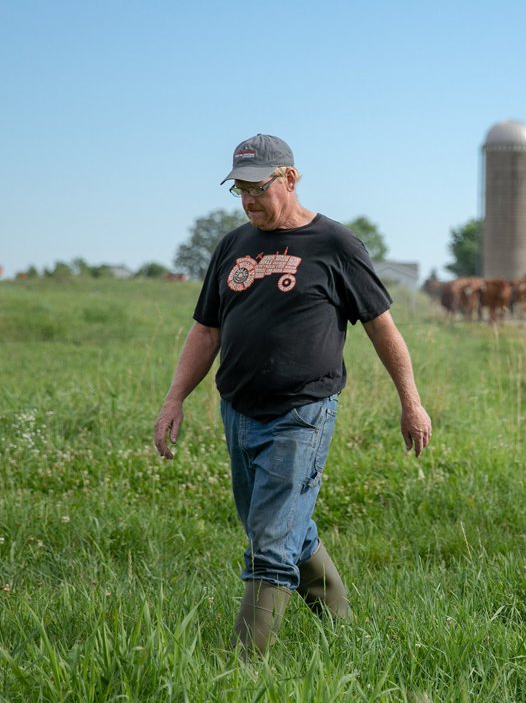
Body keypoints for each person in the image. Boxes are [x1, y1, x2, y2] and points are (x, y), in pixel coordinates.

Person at [152, 133, 432, 656]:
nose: (250, 199)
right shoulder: (232, 246)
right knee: (281, 525)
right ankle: (345, 632)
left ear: (291, 178)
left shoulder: (335, 244)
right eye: (240, 189)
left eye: (259, 187)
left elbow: (382, 328)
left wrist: (410, 401)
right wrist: (175, 398)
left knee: (271, 544)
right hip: (237, 410)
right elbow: (205, 330)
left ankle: (240, 669)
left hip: (301, 411)